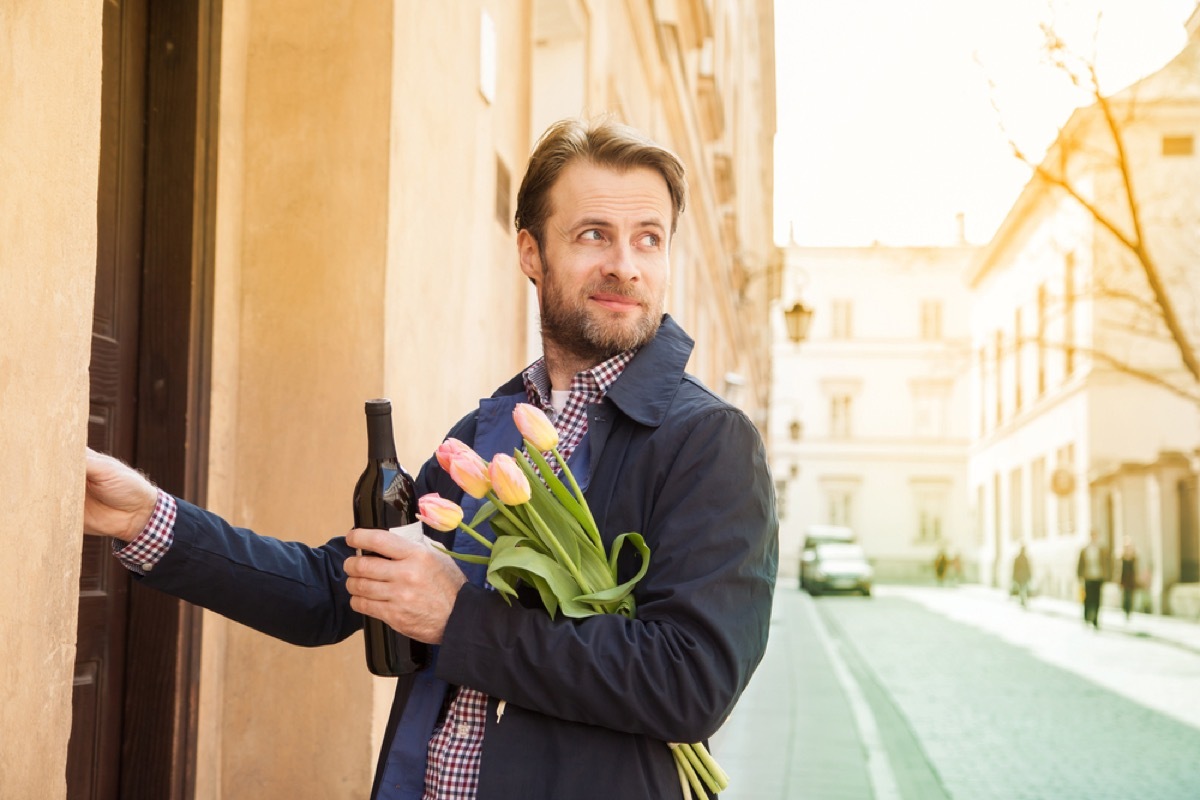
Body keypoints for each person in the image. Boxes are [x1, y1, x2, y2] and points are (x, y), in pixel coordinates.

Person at [82, 117, 779, 800]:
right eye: (593, 234)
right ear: (531, 252)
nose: (625, 265)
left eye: (649, 238)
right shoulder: (492, 431)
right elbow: (336, 590)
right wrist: (147, 519)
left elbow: (690, 684)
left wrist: (459, 618)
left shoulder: (709, 443)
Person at [1076, 530, 1110, 630]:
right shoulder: (1085, 549)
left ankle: (1095, 620)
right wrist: (1079, 576)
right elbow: (1080, 564)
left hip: (1098, 577)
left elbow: (1105, 563)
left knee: (1097, 599)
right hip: (1088, 577)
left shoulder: (1101, 549)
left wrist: (1106, 575)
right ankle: (1087, 617)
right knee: (1088, 598)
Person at [1119, 536, 1138, 621]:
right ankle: (1125, 610)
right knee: (1125, 596)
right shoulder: (1122, 557)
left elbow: (1136, 569)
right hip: (1124, 579)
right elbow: (1119, 570)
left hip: (1131, 580)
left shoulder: (1134, 558)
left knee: (1130, 596)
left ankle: (1129, 611)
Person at [1011, 544, 1032, 609]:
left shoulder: (1022, 558)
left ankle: (1022, 599)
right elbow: (1015, 568)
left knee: (1022, 588)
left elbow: (1028, 568)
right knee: (1023, 588)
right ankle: (1022, 599)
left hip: (1022, 577)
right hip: (1022, 577)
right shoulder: (1022, 558)